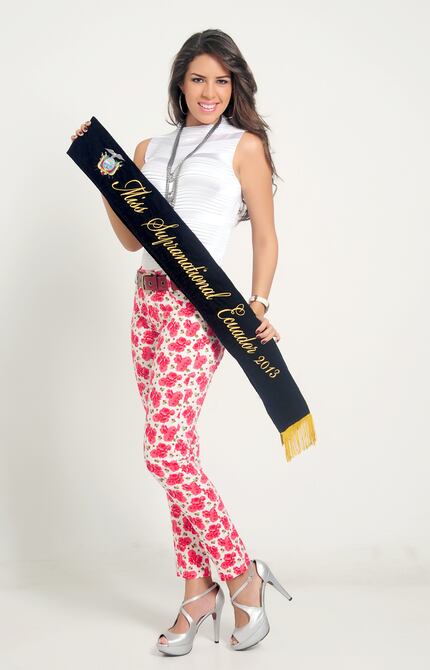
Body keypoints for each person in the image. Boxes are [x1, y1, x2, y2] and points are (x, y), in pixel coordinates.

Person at [70, 28, 293, 656]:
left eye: (222, 80)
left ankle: (242, 574)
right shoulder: (150, 147)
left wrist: (259, 303)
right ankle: (197, 591)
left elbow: (266, 234)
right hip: (147, 301)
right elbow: (130, 240)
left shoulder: (244, 146)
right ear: (181, 83)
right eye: (199, 79)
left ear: (235, 87)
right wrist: (108, 180)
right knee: (178, 449)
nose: (210, 91)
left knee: (163, 448)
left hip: (201, 306)